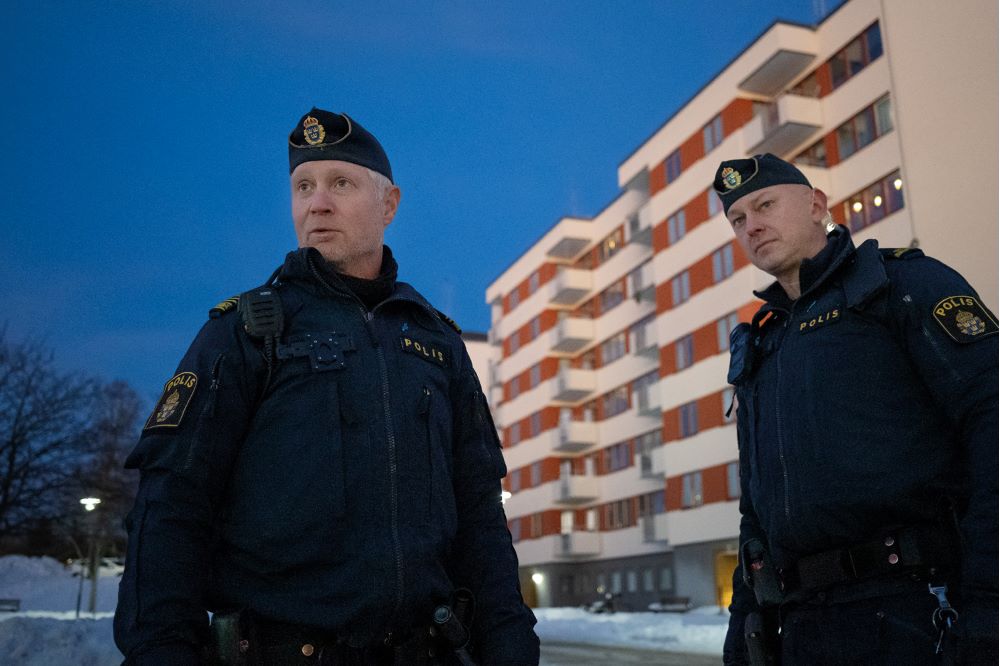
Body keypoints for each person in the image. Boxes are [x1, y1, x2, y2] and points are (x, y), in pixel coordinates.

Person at [114, 108, 540, 665]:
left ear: (388, 205)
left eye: (341, 183)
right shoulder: (243, 333)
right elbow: (170, 506)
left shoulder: (438, 344)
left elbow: (481, 518)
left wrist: (509, 646)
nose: (317, 202)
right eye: (303, 186)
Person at [715, 154, 998, 665]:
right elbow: (754, 511)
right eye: (737, 219)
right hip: (802, 627)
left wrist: (990, 605)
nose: (751, 225)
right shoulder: (761, 345)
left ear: (816, 205)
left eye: (765, 204)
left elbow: (993, 421)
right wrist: (745, 627)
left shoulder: (901, 288)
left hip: (917, 612)